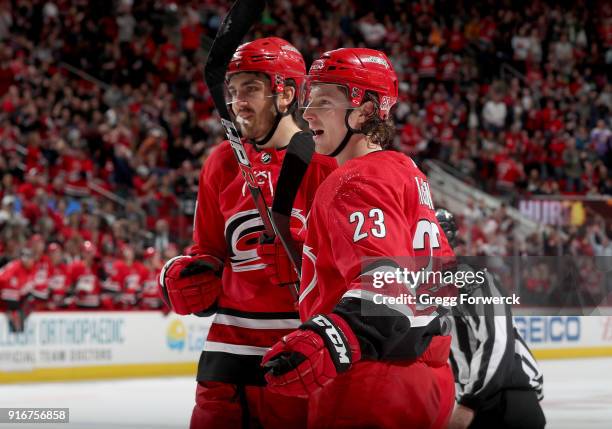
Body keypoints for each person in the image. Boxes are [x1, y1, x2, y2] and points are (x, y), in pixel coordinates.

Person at [262, 48, 455, 429]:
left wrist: (329, 338)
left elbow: (386, 287)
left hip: (370, 385)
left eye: (324, 102)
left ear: (365, 111)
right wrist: (317, 259)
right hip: (429, 380)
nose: (308, 113)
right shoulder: (407, 170)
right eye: (308, 100)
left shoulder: (351, 179)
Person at [158, 37, 336, 429]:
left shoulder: (324, 166)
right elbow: (207, 248)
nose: (238, 100)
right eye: (234, 90)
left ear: (286, 95)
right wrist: (187, 272)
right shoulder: (222, 162)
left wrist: (304, 257)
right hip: (226, 355)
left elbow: (348, 268)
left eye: (251, 89)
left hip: (298, 354)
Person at [435, 208, 546, 429]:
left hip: (502, 400)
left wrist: (469, 403)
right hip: (483, 400)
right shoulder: (422, 286)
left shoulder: (468, 277)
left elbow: (497, 339)